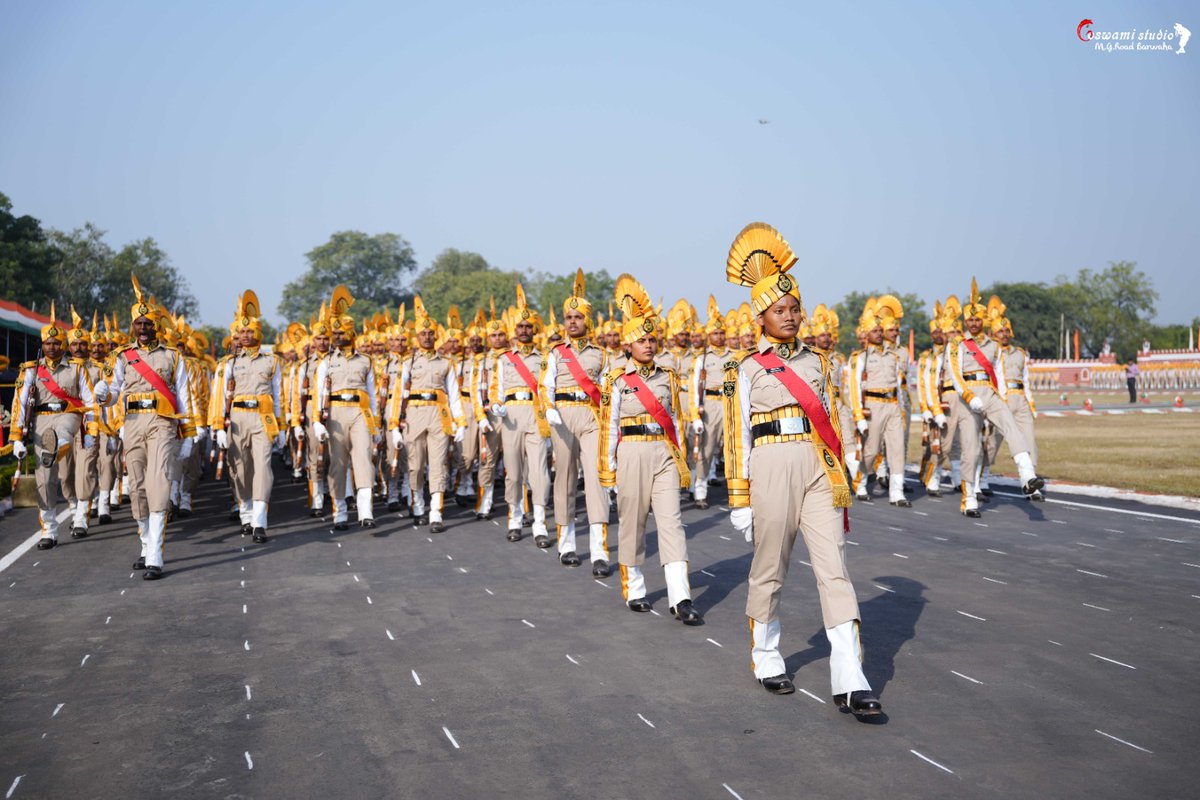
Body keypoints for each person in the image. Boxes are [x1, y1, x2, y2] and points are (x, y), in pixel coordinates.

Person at [722, 222, 878, 714]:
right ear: (760, 317)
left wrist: (844, 466)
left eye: (794, 309)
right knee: (771, 567)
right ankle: (766, 655)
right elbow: (735, 436)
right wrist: (739, 497)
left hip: (818, 468)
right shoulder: (740, 369)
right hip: (768, 466)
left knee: (835, 568)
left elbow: (829, 418)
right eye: (778, 310)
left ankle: (850, 678)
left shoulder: (821, 363)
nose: (789, 317)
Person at [598, 275, 700, 624]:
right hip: (631, 452)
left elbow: (675, 419)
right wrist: (608, 469)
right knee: (633, 523)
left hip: (663, 452)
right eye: (641, 340)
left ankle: (680, 597)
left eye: (651, 338)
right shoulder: (616, 380)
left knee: (672, 523)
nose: (648, 344)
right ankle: (635, 588)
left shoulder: (667, 376)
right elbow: (608, 426)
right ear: (628, 345)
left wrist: (681, 458)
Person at [106, 278, 197, 578]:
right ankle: (145, 544)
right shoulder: (122, 356)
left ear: (156, 325)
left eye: (148, 323)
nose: (143, 328)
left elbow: (184, 394)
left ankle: (156, 554)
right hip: (132, 423)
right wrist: (102, 395)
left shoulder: (172, 355)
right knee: (137, 486)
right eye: (138, 323)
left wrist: (190, 432)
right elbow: (114, 392)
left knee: (159, 482)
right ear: (133, 326)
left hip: (162, 423)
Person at [947, 280, 1044, 517]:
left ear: (983, 320)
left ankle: (1027, 474)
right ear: (965, 322)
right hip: (968, 397)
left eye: (978, 319)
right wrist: (969, 397)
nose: (974, 322)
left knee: (1012, 427)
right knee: (971, 449)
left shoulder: (994, 346)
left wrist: (999, 401)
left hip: (990, 393)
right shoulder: (957, 345)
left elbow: (998, 374)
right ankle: (969, 497)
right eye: (970, 319)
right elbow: (955, 375)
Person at [9, 305, 103, 551]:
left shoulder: (77, 368)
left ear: (63, 344)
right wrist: (17, 438)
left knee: (68, 444)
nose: (51, 346)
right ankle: (49, 530)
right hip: (41, 420)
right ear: (43, 343)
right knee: (46, 479)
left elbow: (90, 402)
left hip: (70, 415)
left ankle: (60, 447)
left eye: (56, 342)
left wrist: (92, 430)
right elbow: (20, 404)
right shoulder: (31, 370)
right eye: (47, 343)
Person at [540, 270, 611, 574]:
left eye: (577, 317)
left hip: (592, 417)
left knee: (596, 480)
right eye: (568, 317)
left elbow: (608, 392)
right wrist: (549, 409)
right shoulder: (556, 353)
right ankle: (566, 543)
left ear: (587, 320)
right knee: (565, 478)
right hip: (563, 417)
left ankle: (599, 549)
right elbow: (545, 385)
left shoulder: (602, 354)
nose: (572, 322)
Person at [388, 297, 466, 532]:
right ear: (417, 336)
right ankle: (418, 504)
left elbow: (454, 394)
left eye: (431, 333)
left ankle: (436, 511)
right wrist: (394, 426)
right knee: (415, 464)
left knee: (438, 463)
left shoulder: (446, 362)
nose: (428, 337)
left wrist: (460, 421)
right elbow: (398, 395)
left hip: (439, 415)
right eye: (423, 334)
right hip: (414, 414)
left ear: (435, 336)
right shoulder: (408, 362)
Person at [212, 292, 283, 543]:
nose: (246, 336)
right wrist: (218, 426)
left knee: (263, 466)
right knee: (239, 469)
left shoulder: (272, 361)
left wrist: (281, 426)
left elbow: (279, 395)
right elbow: (220, 397)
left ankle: (260, 521)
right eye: (242, 332)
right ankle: (246, 513)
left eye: (250, 331)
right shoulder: (228, 363)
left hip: (263, 418)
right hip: (238, 418)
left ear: (258, 333)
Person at [313, 286, 380, 530]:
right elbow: (318, 393)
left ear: (351, 333)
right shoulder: (326, 362)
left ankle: (365, 511)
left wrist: (377, 424)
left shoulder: (366, 360)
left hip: (361, 412)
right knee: (338, 463)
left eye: (341, 333)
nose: (337, 336)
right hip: (336, 415)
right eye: (335, 333)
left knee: (363, 458)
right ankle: (339, 511)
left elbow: (372, 395)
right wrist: (317, 422)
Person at [488, 283, 551, 544]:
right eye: (520, 327)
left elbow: (547, 388)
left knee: (539, 471)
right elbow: (496, 389)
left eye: (529, 327)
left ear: (534, 330)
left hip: (535, 414)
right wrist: (495, 405)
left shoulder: (544, 357)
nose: (524, 331)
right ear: (515, 331)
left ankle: (540, 522)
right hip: (511, 415)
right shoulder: (503, 359)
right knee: (513, 472)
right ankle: (514, 518)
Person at [848, 300, 909, 506]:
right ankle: (861, 481)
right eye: (874, 331)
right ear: (866, 334)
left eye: (880, 330)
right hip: (872, 406)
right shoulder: (860, 357)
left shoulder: (893, 355)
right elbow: (855, 387)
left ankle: (897, 492)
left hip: (892, 405)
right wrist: (858, 416)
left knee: (897, 448)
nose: (879, 333)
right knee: (871, 450)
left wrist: (901, 408)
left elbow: (899, 386)